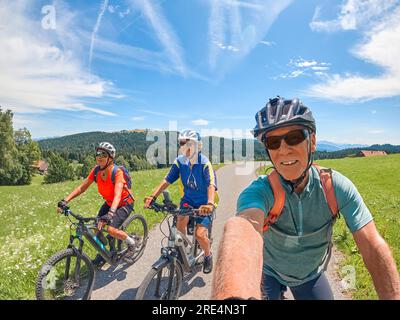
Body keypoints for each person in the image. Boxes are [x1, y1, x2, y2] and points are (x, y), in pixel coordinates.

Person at [212, 97, 400, 300]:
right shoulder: (260, 191)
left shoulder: (335, 188)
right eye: (273, 142)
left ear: (312, 142)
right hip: (268, 271)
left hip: (308, 275)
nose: (283, 149)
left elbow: (372, 245)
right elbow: (243, 230)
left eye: (294, 137)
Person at [144, 129, 217, 274]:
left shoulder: (204, 163)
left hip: (204, 204)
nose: (185, 146)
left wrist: (209, 203)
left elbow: (211, 185)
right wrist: (153, 197)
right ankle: (184, 250)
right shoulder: (180, 162)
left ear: (198, 146)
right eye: (182, 143)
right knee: (179, 225)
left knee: (200, 234)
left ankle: (208, 256)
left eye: (189, 143)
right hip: (187, 201)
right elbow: (167, 180)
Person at [57, 142, 136, 268]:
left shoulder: (117, 172)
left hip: (124, 203)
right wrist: (65, 200)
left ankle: (131, 243)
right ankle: (104, 253)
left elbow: (118, 195)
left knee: (110, 228)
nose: (99, 156)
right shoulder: (96, 171)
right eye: (98, 153)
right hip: (110, 203)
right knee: (96, 227)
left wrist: (110, 214)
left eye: (103, 154)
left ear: (110, 158)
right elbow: (81, 188)